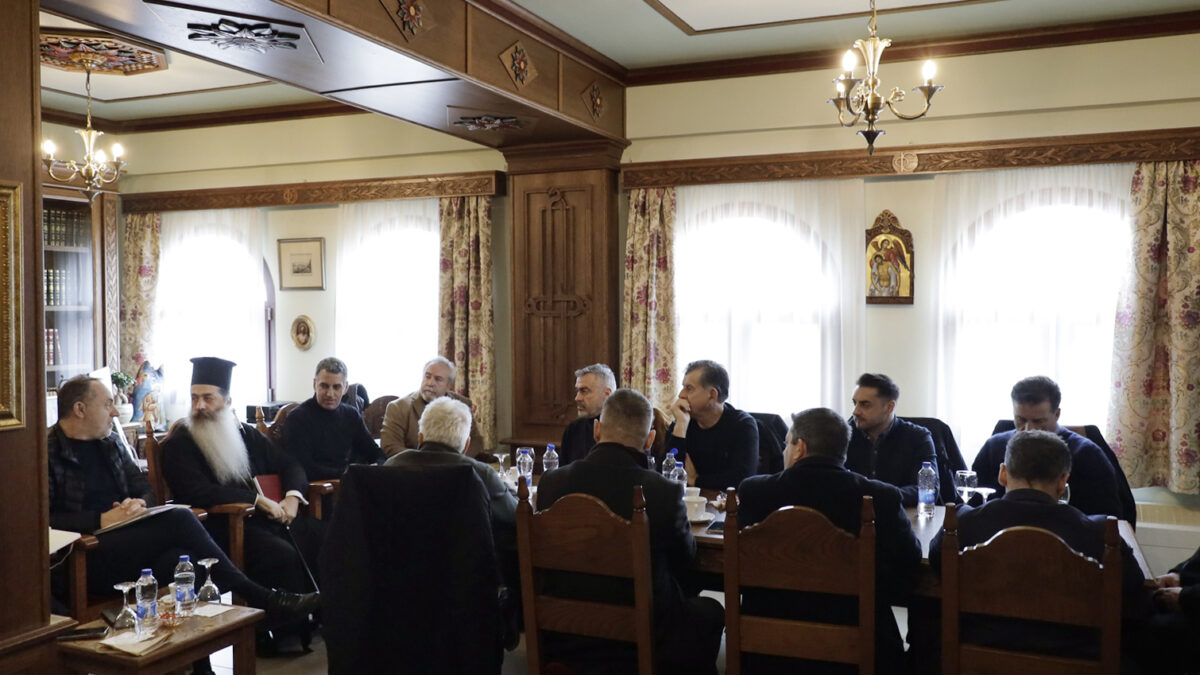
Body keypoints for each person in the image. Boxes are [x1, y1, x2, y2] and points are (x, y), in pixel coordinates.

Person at [48, 376, 319, 623]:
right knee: (179, 516)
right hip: (86, 556)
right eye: (108, 404)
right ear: (80, 409)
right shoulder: (45, 452)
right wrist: (100, 519)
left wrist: (139, 503)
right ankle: (263, 598)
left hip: (129, 542)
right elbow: (43, 519)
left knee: (186, 564)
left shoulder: (111, 443)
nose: (115, 412)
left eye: (207, 397)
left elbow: (144, 488)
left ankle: (199, 657)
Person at [537, 388, 725, 675]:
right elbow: (685, 561)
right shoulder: (662, 491)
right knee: (710, 611)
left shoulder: (551, 484)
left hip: (566, 629)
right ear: (649, 439)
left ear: (597, 430)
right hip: (643, 631)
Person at [931, 430, 1147, 659]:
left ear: (1003, 474)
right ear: (1063, 482)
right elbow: (1133, 584)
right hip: (1072, 658)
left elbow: (937, 561)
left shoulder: (962, 523)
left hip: (980, 655)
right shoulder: (1100, 534)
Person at [737, 407, 921, 675]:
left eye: (787, 444)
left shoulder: (755, 492)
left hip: (768, 638)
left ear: (800, 447)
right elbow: (909, 564)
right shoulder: (881, 497)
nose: (784, 451)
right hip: (856, 635)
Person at [161, 357, 324, 600]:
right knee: (282, 555)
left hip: (268, 521)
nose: (200, 406)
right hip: (223, 527)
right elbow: (195, 491)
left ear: (227, 402)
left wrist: (292, 498)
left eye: (208, 398)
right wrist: (256, 500)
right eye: (194, 398)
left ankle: (322, 615)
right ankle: (281, 620)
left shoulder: (245, 434)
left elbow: (289, 464)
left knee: (323, 536)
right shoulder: (180, 443)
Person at [972, 376, 1122, 517]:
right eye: (1020, 420)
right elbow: (974, 505)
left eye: (1038, 422)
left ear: (1057, 414)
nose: (1028, 429)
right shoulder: (994, 448)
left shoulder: (1087, 455)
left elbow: (1108, 518)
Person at [384, 397, 517, 556]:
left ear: (420, 438)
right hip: (467, 568)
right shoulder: (480, 473)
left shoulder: (392, 466)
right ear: (466, 445)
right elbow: (516, 515)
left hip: (399, 565)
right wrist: (508, 487)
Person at [280, 357, 382, 481]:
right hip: (318, 486)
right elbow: (303, 467)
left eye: (336, 387)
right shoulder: (297, 418)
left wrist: (378, 465)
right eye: (324, 386)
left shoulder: (351, 415)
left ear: (345, 388)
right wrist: (350, 474)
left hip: (350, 481)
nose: (330, 394)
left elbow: (374, 452)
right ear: (314, 384)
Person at [845, 373, 938, 507]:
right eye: (855, 403)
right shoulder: (844, 435)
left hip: (902, 514)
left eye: (865, 405)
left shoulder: (918, 437)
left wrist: (878, 496)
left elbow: (928, 489)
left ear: (889, 407)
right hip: (854, 514)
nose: (856, 411)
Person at [666, 360, 758, 490]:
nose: (681, 394)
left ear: (712, 395)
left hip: (724, 502)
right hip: (687, 500)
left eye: (689, 388)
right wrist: (680, 426)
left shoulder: (742, 425)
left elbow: (742, 479)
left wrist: (695, 480)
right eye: (683, 387)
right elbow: (665, 475)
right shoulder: (682, 421)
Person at [380, 356, 483, 458]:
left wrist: (454, 460)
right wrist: (430, 460)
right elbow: (390, 446)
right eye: (427, 376)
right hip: (413, 466)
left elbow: (475, 442)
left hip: (455, 465)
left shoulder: (462, 405)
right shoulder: (398, 407)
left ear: (449, 386)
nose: (430, 383)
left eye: (438, 379)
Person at [559, 363, 615, 466]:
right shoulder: (573, 429)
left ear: (607, 394)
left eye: (584, 391)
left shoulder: (623, 430)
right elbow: (562, 471)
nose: (577, 398)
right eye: (577, 391)